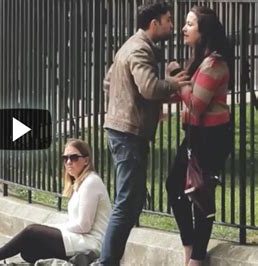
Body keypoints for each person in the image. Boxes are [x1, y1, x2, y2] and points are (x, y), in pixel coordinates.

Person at [99, 2, 191, 265]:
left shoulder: (131, 44)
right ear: (154, 23)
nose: (172, 25)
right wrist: (174, 82)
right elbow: (150, 87)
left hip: (124, 131)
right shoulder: (140, 49)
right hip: (128, 134)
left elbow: (109, 82)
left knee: (132, 201)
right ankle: (107, 261)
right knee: (127, 202)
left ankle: (110, 259)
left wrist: (134, 105)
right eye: (168, 20)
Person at [0, 139, 112, 265]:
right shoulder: (80, 183)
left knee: (32, 231)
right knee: (29, 251)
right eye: (65, 158)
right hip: (80, 238)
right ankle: (75, 260)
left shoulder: (91, 182)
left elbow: (83, 226)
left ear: (86, 160)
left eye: (74, 157)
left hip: (91, 242)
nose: (69, 162)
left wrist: (51, 229)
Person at [165, 6, 233, 266]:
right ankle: (191, 247)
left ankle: (195, 258)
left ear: (203, 32)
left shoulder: (214, 64)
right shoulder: (202, 62)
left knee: (201, 195)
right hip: (196, 135)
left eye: (190, 24)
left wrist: (176, 78)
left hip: (211, 137)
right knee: (175, 185)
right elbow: (186, 95)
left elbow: (194, 106)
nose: (184, 28)